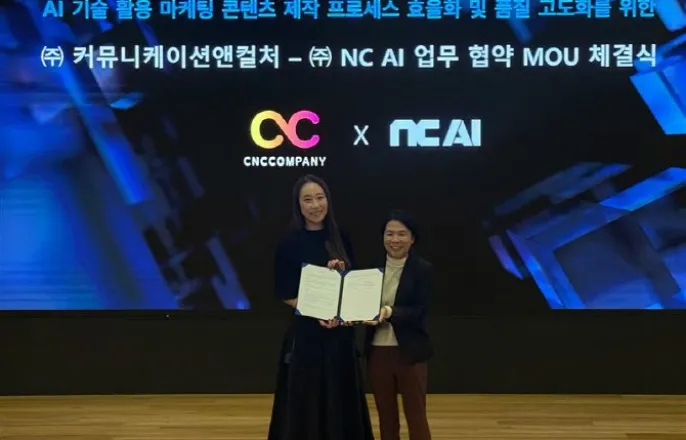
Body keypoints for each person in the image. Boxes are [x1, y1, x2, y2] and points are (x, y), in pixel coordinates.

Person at [267, 174, 374, 440]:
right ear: (298, 205)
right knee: (308, 406)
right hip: (307, 337)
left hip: (341, 336)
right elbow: (284, 293)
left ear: (328, 199)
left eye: (320, 197)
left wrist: (341, 275)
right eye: (307, 199)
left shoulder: (341, 236)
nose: (315, 205)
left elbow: (353, 283)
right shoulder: (289, 242)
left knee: (342, 403)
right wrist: (317, 311)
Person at [363, 210, 434, 440]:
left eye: (402, 234)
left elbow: (420, 311)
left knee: (416, 416)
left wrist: (389, 312)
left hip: (410, 351)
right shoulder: (371, 268)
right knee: (386, 416)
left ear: (412, 238)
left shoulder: (422, 269)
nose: (395, 239)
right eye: (389, 233)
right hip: (378, 351)